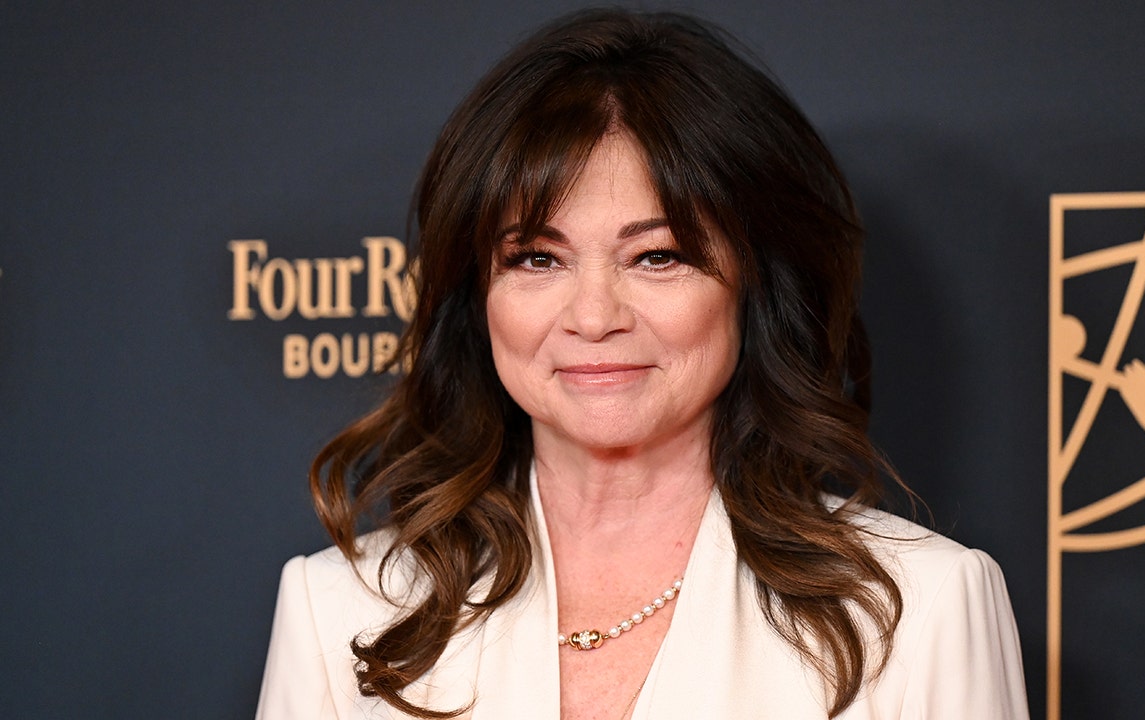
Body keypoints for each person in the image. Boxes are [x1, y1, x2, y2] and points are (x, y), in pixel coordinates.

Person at [256, 8, 1029, 719]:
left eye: (657, 256)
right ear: (476, 292)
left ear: (754, 282)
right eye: (537, 259)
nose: (594, 317)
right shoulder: (341, 614)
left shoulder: (916, 611)